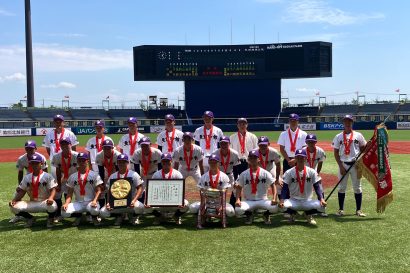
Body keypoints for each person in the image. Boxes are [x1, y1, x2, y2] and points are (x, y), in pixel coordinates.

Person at [332, 115, 367, 217]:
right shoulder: (338, 136)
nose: (347, 123)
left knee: (357, 188)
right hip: (343, 164)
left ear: (352, 123)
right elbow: (335, 153)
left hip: (355, 165)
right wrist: (341, 166)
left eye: (349, 121)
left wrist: (368, 145)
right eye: (346, 121)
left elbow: (363, 149)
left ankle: (358, 210)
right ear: (343, 123)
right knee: (342, 188)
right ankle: (341, 210)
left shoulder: (358, 135)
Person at [279, 149, 327, 225]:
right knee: (280, 206)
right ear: (295, 158)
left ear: (305, 159)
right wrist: (282, 200)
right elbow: (285, 188)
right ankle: (293, 214)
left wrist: (321, 199)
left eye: (302, 157)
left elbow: (317, 186)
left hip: (307, 200)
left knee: (322, 207)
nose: (300, 159)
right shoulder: (289, 172)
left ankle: (308, 214)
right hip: (293, 200)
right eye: (298, 157)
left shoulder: (311, 171)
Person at [9, 154, 58, 228]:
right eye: (32, 163)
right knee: (13, 207)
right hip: (31, 202)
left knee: (53, 205)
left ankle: (50, 219)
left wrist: (51, 198)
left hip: (44, 202)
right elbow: (22, 191)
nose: (34, 165)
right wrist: (14, 200)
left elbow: (53, 189)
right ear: (30, 164)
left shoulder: (47, 176)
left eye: (36, 163)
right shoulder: (27, 177)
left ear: (41, 164)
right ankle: (30, 218)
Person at [189, 154, 235, 228]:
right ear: (208, 163)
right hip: (207, 202)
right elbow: (201, 191)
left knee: (231, 212)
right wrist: (202, 205)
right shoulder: (204, 177)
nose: (213, 164)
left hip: (219, 202)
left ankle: (222, 219)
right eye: (211, 162)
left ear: (218, 163)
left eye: (215, 162)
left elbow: (225, 192)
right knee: (192, 208)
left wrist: (222, 206)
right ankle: (203, 219)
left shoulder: (224, 176)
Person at [235, 149, 279, 225]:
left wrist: (274, 198)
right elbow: (239, 187)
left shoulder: (265, 173)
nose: (253, 160)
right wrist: (238, 199)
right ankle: (249, 214)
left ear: (258, 159)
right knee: (238, 209)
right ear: (248, 160)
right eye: (251, 158)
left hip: (263, 200)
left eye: (255, 158)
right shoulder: (244, 174)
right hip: (249, 201)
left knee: (275, 207)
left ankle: (266, 214)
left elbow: (273, 185)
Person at [99, 154, 144, 226]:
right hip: (117, 202)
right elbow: (109, 191)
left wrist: (134, 200)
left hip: (130, 202)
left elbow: (140, 188)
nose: (121, 164)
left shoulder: (133, 174)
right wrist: (108, 203)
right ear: (117, 163)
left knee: (140, 207)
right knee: (103, 212)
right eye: (120, 162)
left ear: (127, 163)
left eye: (124, 162)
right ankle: (119, 216)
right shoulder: (113, 176)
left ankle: (134, 217)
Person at [62, 153, 103, 226]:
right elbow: (69, 193)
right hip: (78, 203)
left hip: (91, 202)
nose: (81, 162)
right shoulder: (73, 176)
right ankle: (78, 217)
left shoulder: (94, 175)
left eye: (83, 160)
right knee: (64, 212)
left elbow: (99, 190)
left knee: (95, 210)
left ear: (87, 161)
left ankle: (94, 218)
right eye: (79, 161)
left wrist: (95, 200)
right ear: (77, 161)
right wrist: (66, 203)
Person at [11, 140, 48, 223]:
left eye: (31, 149)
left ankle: (52, 214)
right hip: (28, 180)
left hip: (41, 180)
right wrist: (20, 185)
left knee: (48, 195)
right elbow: (20, 173)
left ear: (35, 148)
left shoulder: (41, 157)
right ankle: (18, 215)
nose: (29, 151)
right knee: (17, 195)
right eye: (27, 149)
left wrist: (47, 183)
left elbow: (45, 170)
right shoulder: (21, 159)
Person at [148, 153, 189, 225]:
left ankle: (176, 216)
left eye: (168, 161)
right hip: (160, 200)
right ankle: (159, 216)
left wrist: (181, 201)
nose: (166, 163)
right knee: (146, 206)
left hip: (174, 200)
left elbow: (181, 190)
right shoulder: (156, 174)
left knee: (186, 205)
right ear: (161, 162)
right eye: (164, 161)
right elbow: (152, 190)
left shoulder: (177, 174)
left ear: (171, 161)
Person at [51, 137, 79, 223]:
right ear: (60, 146)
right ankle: (58, 214)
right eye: (62, 144)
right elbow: (58, 171)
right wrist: (58, 183)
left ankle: (80, 214)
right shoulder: (56, 157)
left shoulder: (76, 155)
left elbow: (80, 169)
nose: (64, 146)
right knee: (57, 194)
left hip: (74, 179)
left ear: (70, 145)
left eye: (66, 144)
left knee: (77, 194)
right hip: (64, 179)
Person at [211, 136, 240, 208]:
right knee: (216, 190)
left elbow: (236, 168)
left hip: (230, 174)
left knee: (236, 189)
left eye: (225, 143)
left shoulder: (235, 153)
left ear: (229, 144)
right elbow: (212, 167)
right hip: (219, 175)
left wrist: (236, 181)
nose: (223, 145)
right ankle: (215, 206)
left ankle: (235, 205)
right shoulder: (215, 153)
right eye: (222, 144)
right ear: (219, 144)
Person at [303, 134, 328, 217]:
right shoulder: (303, 151)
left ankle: (321, 209)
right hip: (305, 173)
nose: (310, 143)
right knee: (304, 191)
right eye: (309, 142)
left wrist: (317, 173)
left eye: (312, 142)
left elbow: (320, 163)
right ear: (306, 142)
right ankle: (305, 209)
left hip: (314, 171)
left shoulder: (320, 151)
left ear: (316, 142)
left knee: (320, 190)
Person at [95, 139, 121, 208]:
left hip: (116, 171)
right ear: (102, 148)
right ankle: (102, 208)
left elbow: (118, 170)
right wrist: (102, 183)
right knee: (103, 190)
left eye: (109, 148)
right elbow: (101, 171)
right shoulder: (99, 155)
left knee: (115, 189)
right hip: (105, 171)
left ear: (112, 148)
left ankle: (116, 208)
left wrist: (116, 181)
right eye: (105, 148)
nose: (107, 150)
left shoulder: (117, 155)